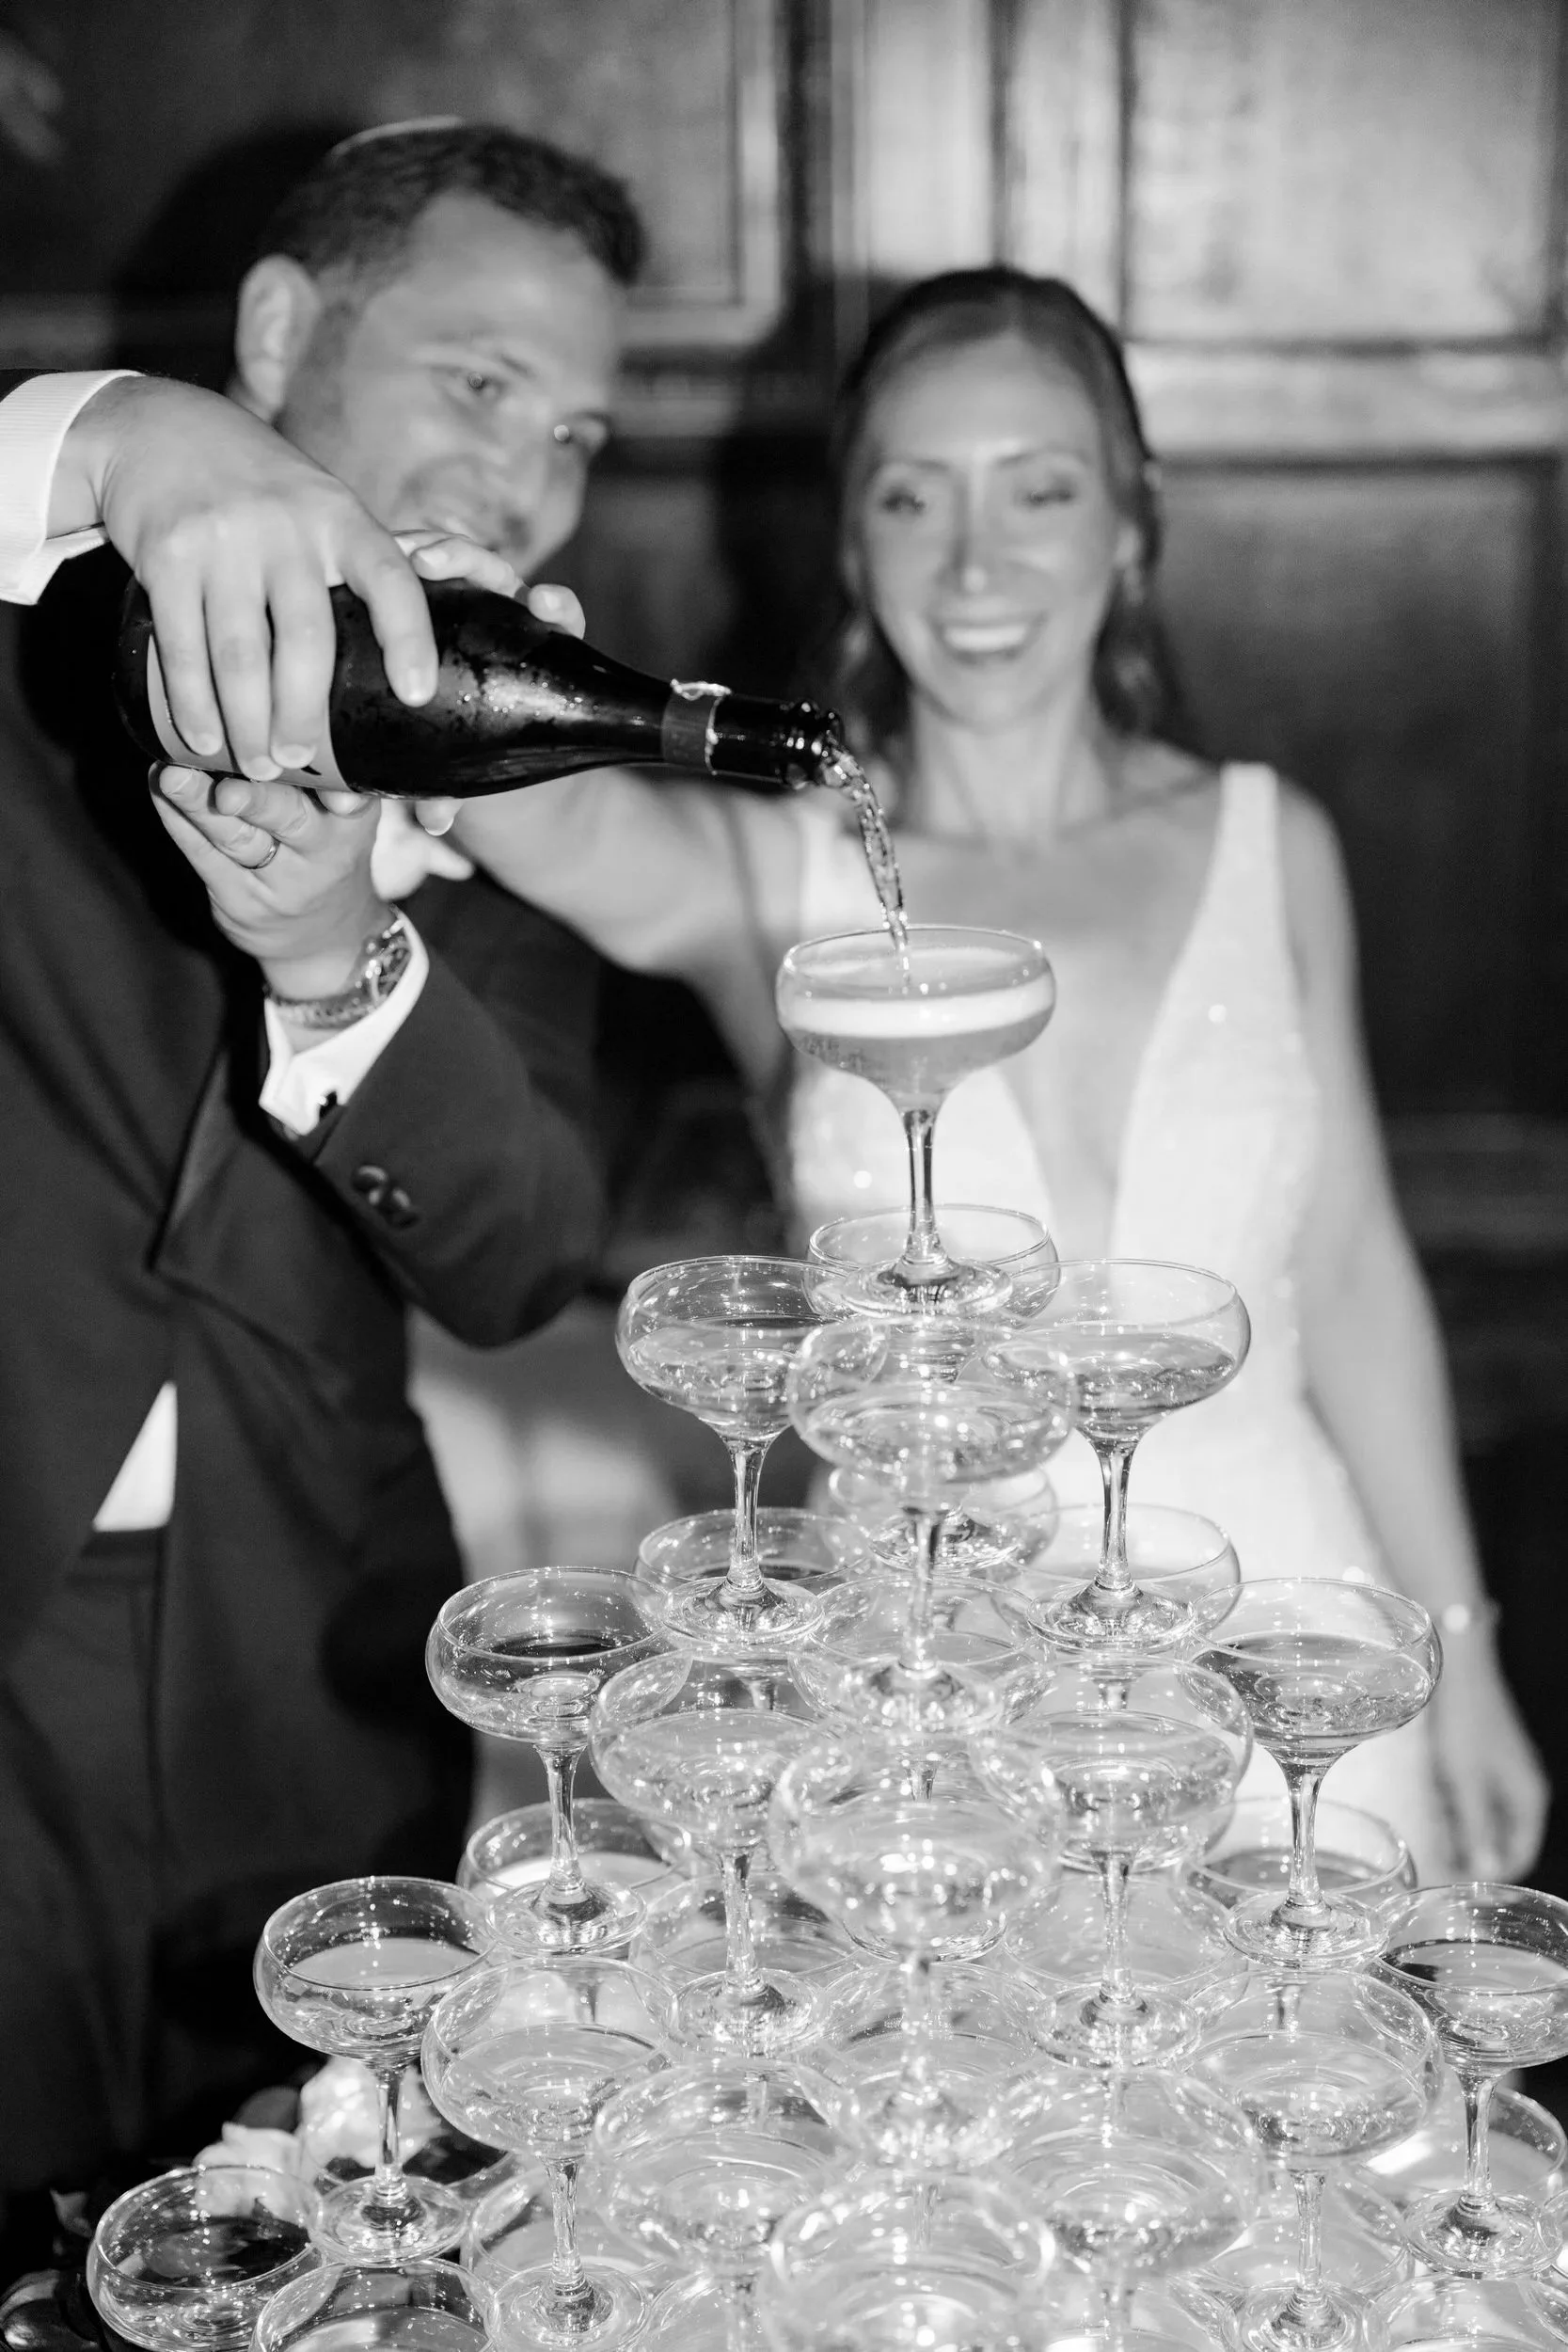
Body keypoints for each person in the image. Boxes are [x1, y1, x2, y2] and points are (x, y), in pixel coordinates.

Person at [450, 266, 1547, 1885]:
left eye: (1039, 489)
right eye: (912, 496)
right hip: (926, 1712)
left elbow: (1357, 1275)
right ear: (850, 541)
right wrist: (438, 600)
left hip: (1285, 1645)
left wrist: (1458, 1652)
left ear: (1127, 525)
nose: (976, 562)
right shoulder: (776, 882)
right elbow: (494, 788)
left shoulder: (1269, 840)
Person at [0, 118, 643, 2213]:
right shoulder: (39, 637)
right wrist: (127, 439)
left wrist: (338, 957)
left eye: (574, 431)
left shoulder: (514, 832)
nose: (528, 476)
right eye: (477, 384)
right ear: (280, 336)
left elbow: (522, 1251)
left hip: (306, 1683)